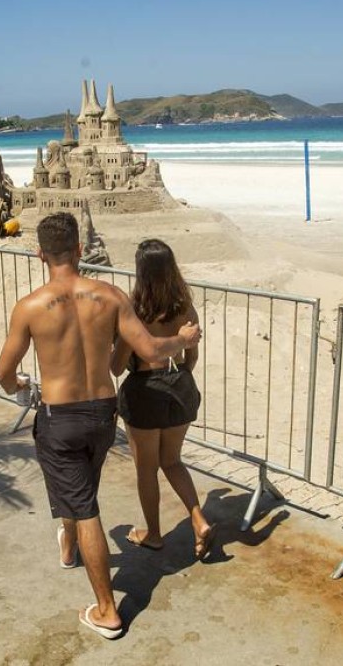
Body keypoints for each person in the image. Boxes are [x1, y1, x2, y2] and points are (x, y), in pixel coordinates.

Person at [0, 213, 200, 640]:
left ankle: (107, 610)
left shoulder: (30, 307)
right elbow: (150, 350)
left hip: (61, 417)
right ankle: (68, 545)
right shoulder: (109, 296)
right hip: (103, 414)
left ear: (39, 253)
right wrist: (183, 340)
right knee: (80, 489)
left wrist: (17, 385)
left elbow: (4, 370)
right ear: (79, 250)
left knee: (86, 507)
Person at [111, 239, 215, 560]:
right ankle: (198, 518)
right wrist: (177, 375)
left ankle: (154, 535)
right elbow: (192, 356)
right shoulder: (186, 308)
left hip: (144, 392)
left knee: (147, 470)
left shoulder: (135, 313)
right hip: (179, 388)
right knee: (172, 461)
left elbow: (116, 367)